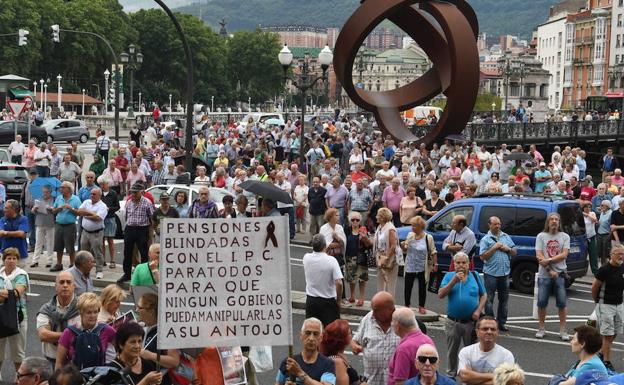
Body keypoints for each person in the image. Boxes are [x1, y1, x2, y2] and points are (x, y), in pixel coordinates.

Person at [438, 252, 486, 377]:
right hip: (453, 322)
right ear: (454, 264)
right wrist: (453, 281)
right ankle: (451, 376)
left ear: (468, 264)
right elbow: (440, 294)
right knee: (452, 351)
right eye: (458, 263)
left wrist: (478, 311)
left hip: (471, 322)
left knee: (472, 351)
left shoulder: (474, 276)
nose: (461, 265)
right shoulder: (449, 276)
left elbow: (484, 295)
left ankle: (470, 376)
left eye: (464, 263)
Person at [55, 292, 116, 370]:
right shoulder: (69, 332)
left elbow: (121, 350)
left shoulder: (107, 330)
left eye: (95, 312)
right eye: (89, 312)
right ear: (81, 312)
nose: (93, 316)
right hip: (76, 378)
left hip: (98, 377)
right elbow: (59, 363)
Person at [351, 291, 400, 385]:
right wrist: (355, 346)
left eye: (377, 310)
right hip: (371, 381)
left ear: (390, 309)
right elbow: (355, 340)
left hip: (396, 382)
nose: (373, 314)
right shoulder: (368, 318)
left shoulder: (403, 319)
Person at [535, 213, 570, 340]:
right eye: (552, 219)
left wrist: (548, 260)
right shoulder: (541, 236)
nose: (554, 222)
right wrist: (550, 270)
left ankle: (563, 330)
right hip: (545, 275)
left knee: (562, 303)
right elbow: (539, 255)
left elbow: (564, 254)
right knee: (542, 302)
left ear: (559, 222)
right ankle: (541, 328)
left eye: (556, 219)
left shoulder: (565, 236)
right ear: (548, 222)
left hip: (560, 274)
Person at [479, 216, 516, 332]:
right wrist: (494, 248)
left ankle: (501, 323)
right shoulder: (486, 239)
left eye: (499, 224)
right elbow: (482, 256)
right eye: (495, 224)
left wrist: (508, 249)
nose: (498, 226)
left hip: (504, 273)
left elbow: (515, 252)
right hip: (491, 273)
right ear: (489, 225)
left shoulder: (506, 237)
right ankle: (490, 322)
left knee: (504, 300)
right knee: (489, 299)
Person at [591, 245, 624, 372]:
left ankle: (602, 352)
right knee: (608, 334)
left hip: (619, 305)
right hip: (606, 305)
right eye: (618, 254)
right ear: (611, 254)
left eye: (623, 254)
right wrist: (597, 302)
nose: (621, 256)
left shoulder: (622, 267)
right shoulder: (604, 270)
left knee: (615, 331)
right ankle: (606, 361)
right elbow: (594, 287)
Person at [275, 317, 336, 385]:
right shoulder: (288, 362)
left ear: (321, 337)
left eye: (315, 334)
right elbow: (277, 383)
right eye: (308, 333)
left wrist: (300, 373)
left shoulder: (327, 364)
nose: (311, 338)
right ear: (301, 335)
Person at [36, 271, 79, 367]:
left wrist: (54, 335)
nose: (65, 285)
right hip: (51, 360)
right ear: (56, 286)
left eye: (68, 282)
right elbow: (43, 335)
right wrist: (72, 335)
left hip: (75, 362)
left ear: (74, 286)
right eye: (61, 282)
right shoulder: (46, 309)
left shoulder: (82, 307)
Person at [136, 293, 180, 385]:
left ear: (151, 311)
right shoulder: (143, 328)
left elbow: (174, 361)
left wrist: (150, 355)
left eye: (139, 308)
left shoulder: (166, 330)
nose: (136, 310)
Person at [457, 316, 515, 385]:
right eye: (485, 329)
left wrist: (472, 377)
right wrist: (497, 376)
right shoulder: (466, 352)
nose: (489, 332)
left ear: (497, 332)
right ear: (477, 332)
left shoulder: (506, 355)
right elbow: (464, 377)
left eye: (493, 329)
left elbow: (508, 381)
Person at [303, 234, 343, 327]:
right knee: (331, 333)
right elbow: (339, 283)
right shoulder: (331, 260)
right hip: (328, 301)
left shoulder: (306, 258)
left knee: (313, 330)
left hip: (311, 300)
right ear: (325, 246)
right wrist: (339, 300)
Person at [387, 308, 434, 385]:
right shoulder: (428, 340)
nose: (391, 323)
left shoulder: (404, 349)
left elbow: (401, 382)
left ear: (398, 326)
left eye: (392, 321)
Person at [0, 247, 29, 371]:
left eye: (14, 258)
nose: (11, 261)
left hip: (18, 317)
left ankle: (19, 377)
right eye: (8, 258)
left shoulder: (22, 275)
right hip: (1, 316)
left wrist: (4, 294)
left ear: (17, 260)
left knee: (17, 351)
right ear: (4, 260)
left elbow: (17, 293)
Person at [119, 182, 154, 284]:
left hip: (142, 229)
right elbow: (126, 216)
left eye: (135, 193)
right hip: (130, 228)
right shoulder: (129, 202)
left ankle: (144, 275)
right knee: (127, 252)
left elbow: (151, 216)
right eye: (132, 192)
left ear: (141, 192)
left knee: (143, 253)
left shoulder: (147, 202)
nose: (133, 195)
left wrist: (150, 233)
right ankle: (127, 274)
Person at [109, 321, 163, 385]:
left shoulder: (148, 364)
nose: (137, 346)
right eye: (133, 342)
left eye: (139, 341)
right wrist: (145, 381)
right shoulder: (112, 370)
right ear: (121, 344)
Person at [402, 216, 437, 314]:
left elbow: (433, 251)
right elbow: (405, 248)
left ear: (420, 226)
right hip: (410, 264)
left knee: (422, 287)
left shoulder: (428, 237)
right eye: (412, 226)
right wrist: (404, 245)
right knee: (408, 286)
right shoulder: (410, 235)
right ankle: (407, 304)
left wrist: (435, 264)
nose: (412, 228)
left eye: (414, 226)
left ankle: (421, 306)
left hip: (423, 265)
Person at [77, 188, 107, 279]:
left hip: (96, 233)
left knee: (97, 252)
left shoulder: (102, 206)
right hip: (85, 231)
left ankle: (99, 271)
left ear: (99, 196)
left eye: (94, 194)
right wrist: (91, 214)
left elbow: (98, 218)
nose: (92, 196)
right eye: (91, 194)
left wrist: (86, 214)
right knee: (84, 252)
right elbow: (79, 212)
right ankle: (84, 270)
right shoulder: (86, 202)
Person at [320, 319, 362, 385]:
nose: (351, 334)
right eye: (349, 333)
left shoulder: (337, 355)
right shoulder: (337, 362)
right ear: (342, 339)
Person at [50, 182, 81, 272]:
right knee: (58, 246)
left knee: (70, 246)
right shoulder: (59, 198)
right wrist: (58, 209)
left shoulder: (75, 199)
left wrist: (70, 208)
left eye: (63, 187)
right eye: (61, 187)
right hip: (59, 224)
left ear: (69, 189)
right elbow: (53, 211)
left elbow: (79, 212)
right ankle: (59, 264)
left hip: (70, 225)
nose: (61, 189)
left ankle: (72, 264)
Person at [345, 211, 372, 307]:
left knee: (362, 279)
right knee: (351, 279)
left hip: (361, 257)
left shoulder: (364, 230)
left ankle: (361, 298)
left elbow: (369, 245)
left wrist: (364, 238)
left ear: (360, 221)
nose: (355, 222)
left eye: (357, 220)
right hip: (349, 256)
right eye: (353, 220)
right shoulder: (347, 230)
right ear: (350, 221)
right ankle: (352, 296)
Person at [373, 208, 399, 297]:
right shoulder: (380, 227)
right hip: (380, 257)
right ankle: (380, 305)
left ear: (383, 217)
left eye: (378, 215)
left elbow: (393, 246)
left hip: (390, 258)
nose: (376, 217)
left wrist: (386, 258)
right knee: (380, 284)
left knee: (390, 285)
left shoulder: (390, 228)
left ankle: (390, 307)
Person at [99, 177, 120, 268]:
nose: (102, 186)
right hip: (101, 218)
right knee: (101, 240)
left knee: (110, 240)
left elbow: (117, 207)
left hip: (110, 218)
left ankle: (112, 260)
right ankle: (102, 260)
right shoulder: (99, 194)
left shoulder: (113, 193)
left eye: (103, 184)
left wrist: (109, 209)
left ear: (107, 184)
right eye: (101, 184)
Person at [0, 199, 30, 264]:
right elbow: (0, 233)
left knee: (20, 273)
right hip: (5, 254)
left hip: (20, 255)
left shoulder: (23, 219)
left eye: (6, 208)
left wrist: (5, 233)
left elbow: (21, 234)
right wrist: (15, 233)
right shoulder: (2, 219)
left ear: (14, 209)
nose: (4, 210)